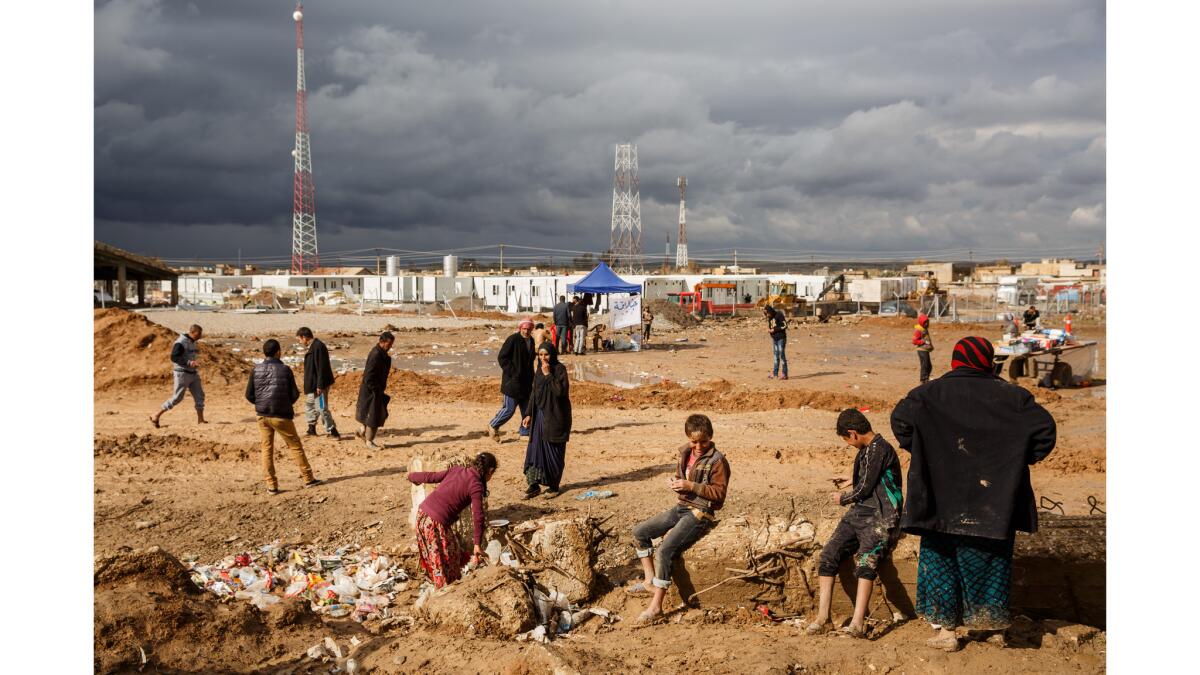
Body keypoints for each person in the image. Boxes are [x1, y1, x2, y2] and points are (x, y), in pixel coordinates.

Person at [890, 336, 1056, 652]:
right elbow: (1045, 432)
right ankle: (992, 630)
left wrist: (927, 450)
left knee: (941, 563)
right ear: (986, 361)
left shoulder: (927, 394)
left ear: (955, 361)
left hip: (940, 502)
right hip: (994, 504)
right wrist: (1015, 459)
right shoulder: (1014, 397)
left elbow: (901, 422)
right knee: (991, 566)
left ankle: (947, 633)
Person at [807, 409, 903, 637]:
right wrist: (852, 479)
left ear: (852, 434)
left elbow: (865, 489)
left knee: (867, 562)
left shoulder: (878, 449)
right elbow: (871, 478)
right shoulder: (870, 450)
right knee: (829, 554)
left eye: (846, 440)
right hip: (861, 512)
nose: (848, 444)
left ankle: (858, 623)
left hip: (881, 515)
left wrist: (844, 498)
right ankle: (823, 618)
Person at [627, 414, 731, 624]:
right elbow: (681, 477)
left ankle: (656, 606)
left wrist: (690, 486)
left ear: (711, 437)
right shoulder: (685, 452)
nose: (699, 446)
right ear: (688, 438)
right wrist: (676, 482)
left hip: (701, 512)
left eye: (703, 441)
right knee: (640, 532)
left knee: (665, 550)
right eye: (694, 441)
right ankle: (650, 581)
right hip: (682, 506)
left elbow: (719, 494)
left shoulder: (718, 461)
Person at [407, 452, 498, 589]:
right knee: (443, 563)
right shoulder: (476, 485)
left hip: (422, 516)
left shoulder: (458, 470)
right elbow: (478, 515)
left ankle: (449, 585)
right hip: (434, 524)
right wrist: (477, 544)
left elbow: (432, 476)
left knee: (454, 552)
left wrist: (412, 476)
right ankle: (444, 594)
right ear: (490, 471)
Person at [245, 339, 321, 494]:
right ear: (278, 352)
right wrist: (286, 404)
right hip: (281, 415)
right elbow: (294, 394)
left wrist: (260, 403)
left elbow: (249, 395)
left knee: (266, 449)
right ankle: (308, 478)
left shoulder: (256, 369)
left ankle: (271, 485)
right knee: (295, 446)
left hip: (262, 415)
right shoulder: (285, 370)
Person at [521, 343, 572, 499]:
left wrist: (548, 374)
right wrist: (528, 413)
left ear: (553, 354)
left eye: (546, 354)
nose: (543, 358)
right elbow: (534, 393)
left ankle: (554, 487)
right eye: (540, 355)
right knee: (535, 450)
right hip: (540, 417)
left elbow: (560, 392)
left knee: (553, 452)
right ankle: (534, 485)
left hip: (555, 417)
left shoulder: (559, 369)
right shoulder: (538, 370)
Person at [487, 319, 535, 441]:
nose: (526, 331)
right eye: (524, 329)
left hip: (526, 382)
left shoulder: (532, 341)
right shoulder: (513, 339)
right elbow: (502, 357)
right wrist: (513, 373)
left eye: (529, 329)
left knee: (527, 410)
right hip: (512, 382)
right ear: (520, 328)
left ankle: (524, 432)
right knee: (509, 409)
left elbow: (530, 361)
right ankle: (493, 425)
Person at [150, 324, 206, 428]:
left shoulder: (193, 342)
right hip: (182, 373)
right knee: (177, 398)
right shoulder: (180, 342)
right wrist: (189, 363)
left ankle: (201, 420)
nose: (200, 336)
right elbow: (174, 357)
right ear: (192, 332)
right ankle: (156, 415)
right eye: (199, 334)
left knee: (200, 396)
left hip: (193, 373)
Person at [296, 327, 339, 439]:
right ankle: (311, 429)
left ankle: (333, 431)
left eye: (300, 340)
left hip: (319, 386)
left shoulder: (318, 347)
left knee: (321, 407)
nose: (300, 342)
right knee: (310, 405)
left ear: (304, 337)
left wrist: (320, 385)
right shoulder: (313, 347)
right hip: (313, 385)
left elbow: (322, 368)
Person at [355, 332, 394, 449]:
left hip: (374, 389)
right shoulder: (376, 354)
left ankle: (362, 431)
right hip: (372, 391)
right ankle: (369, 442)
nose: (390, 346)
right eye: (389, 344)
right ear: (382, 342)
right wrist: (376, 390)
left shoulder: (381, 354)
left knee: (373, 414)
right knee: (374, 416)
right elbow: (368, 376)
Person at [764, 305, 788, 380]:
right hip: (775, 339)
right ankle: (775, 374)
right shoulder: (770, 318)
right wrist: (770, 331)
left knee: (782, 356)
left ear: (770, 311)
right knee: (775, 357)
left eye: (767, 313)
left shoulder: (779, 314)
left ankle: (784, 374)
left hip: (781, 338)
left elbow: (785, 325)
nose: (767, 315)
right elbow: (771, 327)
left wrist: (774, 330)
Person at [912, 313, 933, 384]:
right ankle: (923, 380)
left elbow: (927, 339)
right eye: (925, 322)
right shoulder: (918, 330)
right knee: (925, 365)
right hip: (921, 350)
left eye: (927, 322)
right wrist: (923, 341)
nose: (926, 324)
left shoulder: (924, 329)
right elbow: (914, 341)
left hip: (925, 350)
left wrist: (930, 346)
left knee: (929, 365)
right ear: (921, 322)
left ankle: (926, 378)